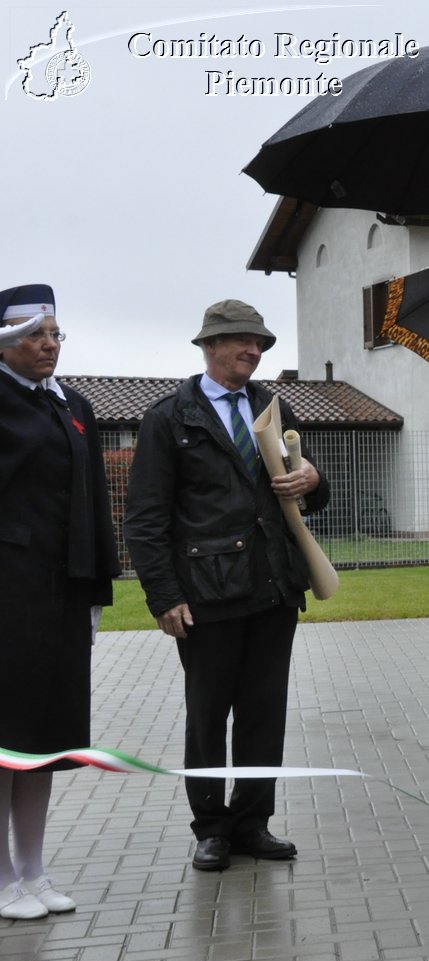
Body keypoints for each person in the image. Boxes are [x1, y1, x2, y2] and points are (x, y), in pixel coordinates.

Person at [124, 301, 328, 873]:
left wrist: (315, 479)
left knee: (265, 712)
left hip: (274, 585)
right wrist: (163, 596)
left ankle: (253, 822)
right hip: (207, 591)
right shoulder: (170, 418)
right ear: (209, 345)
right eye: (241, 340)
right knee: (208, 715)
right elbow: (144, 517)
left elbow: (301, 488)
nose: (254, 350)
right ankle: (211, 827)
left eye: (259, 342)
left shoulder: (271, 406)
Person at [0, 284, 119, 919]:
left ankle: (34, 871)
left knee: (45, 739)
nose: (49, 347)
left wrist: (97, 586)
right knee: (5, 736)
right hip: (8, 594)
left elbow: (93, 499)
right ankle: (1, 880)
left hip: (62, 594)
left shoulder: (75, 404)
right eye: (35, 336)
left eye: (55, 335)